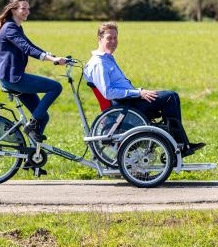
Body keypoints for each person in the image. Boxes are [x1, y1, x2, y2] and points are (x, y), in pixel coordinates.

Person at [83, 22, 205, 157]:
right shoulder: (98, 63)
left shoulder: (107, 59)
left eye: (115, 38)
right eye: (109, 38)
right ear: (100, 39)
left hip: (129, 102)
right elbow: (108, 93)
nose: (113, 42)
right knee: (170, 97)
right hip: (124, 109)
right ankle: (178, 146)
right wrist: (139, 93)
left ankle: (179, 144)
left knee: (172, 97)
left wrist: (139, 92)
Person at [0, 0, 66, 142]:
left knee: (43, 117)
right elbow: (26, 48)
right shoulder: (10, 28)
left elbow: (31, 45)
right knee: (55, 87)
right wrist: (51, 59)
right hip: (13, 78)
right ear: (13, 10)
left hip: (14, 77)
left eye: (28, 9)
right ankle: (32, 125)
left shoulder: (16, 27)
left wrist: (50, 55)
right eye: (23, 9)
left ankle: (33, 157)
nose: (27, 12)